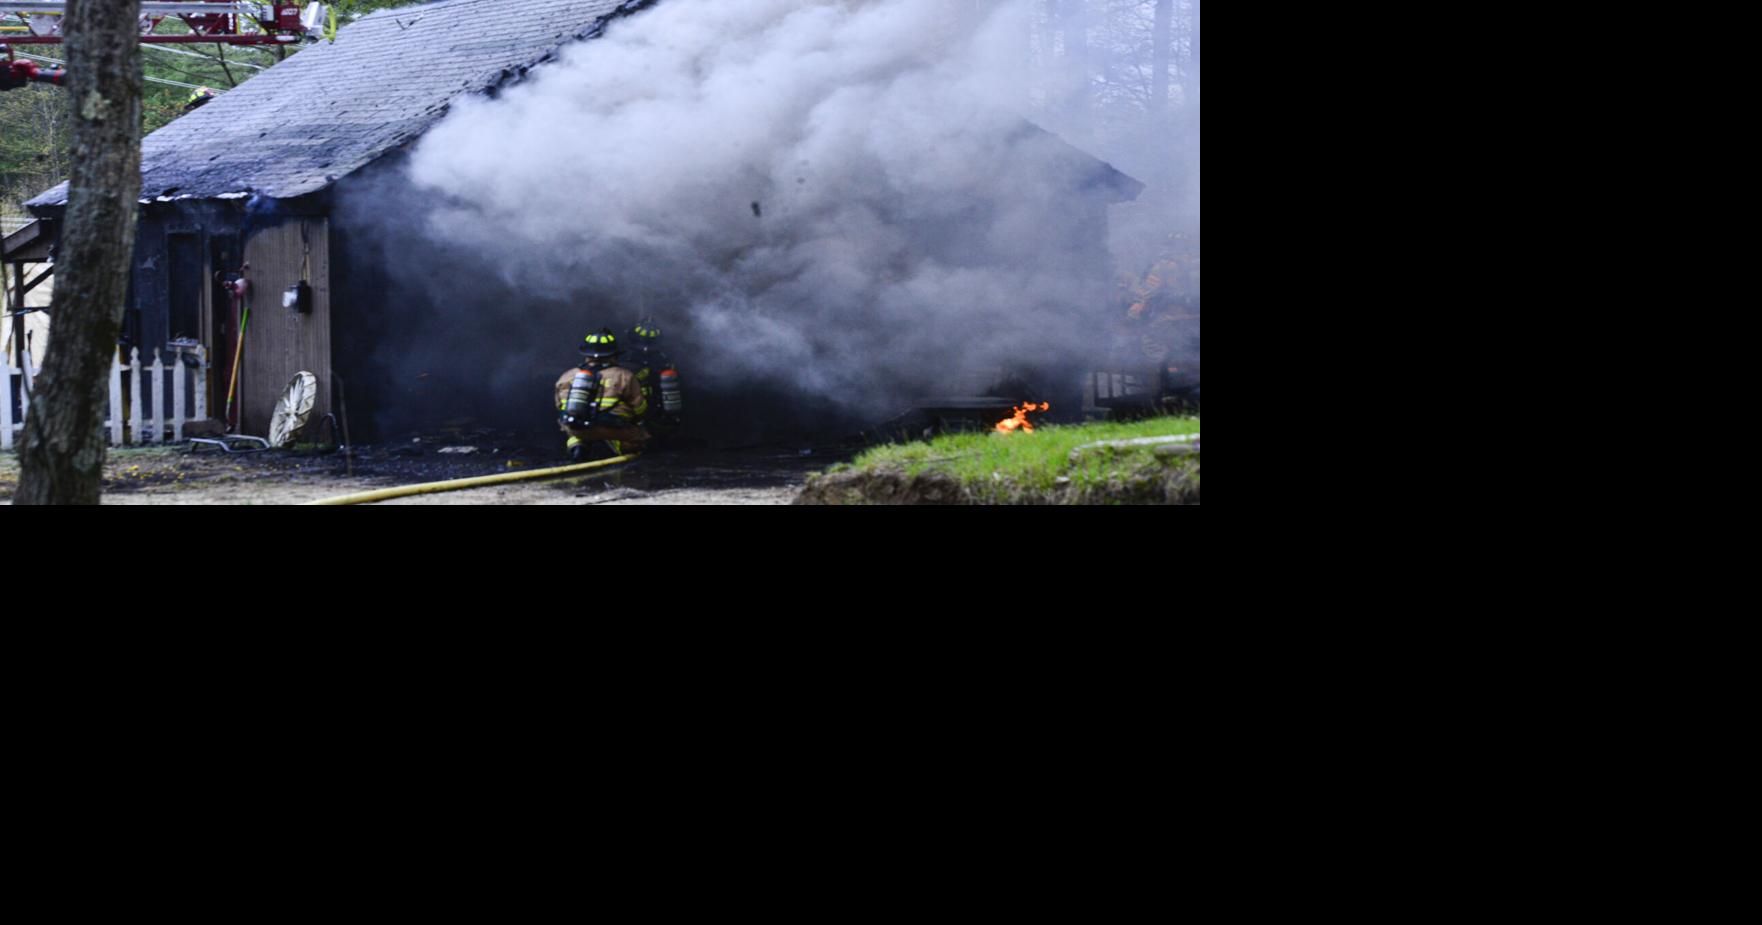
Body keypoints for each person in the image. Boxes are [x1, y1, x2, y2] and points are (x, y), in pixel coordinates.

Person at [554, 328, 650, 461]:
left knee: (575, 430)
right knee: (641, 437)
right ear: (613, 354)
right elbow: (639, 407)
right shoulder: (624, 375)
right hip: (612, 428)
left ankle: (577, 446)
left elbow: (560, 406)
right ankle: (617, 445)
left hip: (576, 428)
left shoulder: (568, 375)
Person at [625, 317, 683, 432]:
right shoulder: (663, 358)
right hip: (650, 402)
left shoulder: (626, 356)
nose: (645, 349)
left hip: (640, 401)